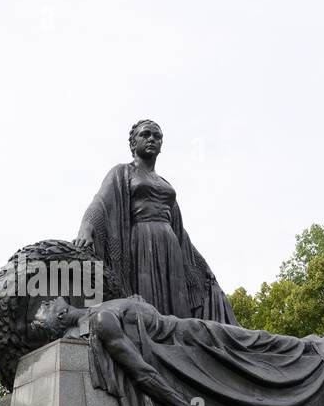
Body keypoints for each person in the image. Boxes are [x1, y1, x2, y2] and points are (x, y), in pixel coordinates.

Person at [28, 295, 324, 406]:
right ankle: (317, 351)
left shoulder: (97, 311)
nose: (50, 300)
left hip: (189, 336)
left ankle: (312, 350)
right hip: (190, 341)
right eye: (44, 308)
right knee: (250, 346)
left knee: (253, 343)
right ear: (56, 322)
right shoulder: (101, 323)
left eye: (44, 302)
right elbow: (140, 372)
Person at [76, 119, 239, 324]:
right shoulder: (123, 172)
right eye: (145, 135)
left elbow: (181, 232)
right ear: (133, 144)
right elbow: (101, 202)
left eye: (157, 136)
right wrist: (87, 227)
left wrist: (202, 265)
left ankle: (178, 343)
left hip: (170, 245)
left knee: (177, 304)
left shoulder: (165, 184)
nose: (152, 139)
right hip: (141, 241)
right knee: (147, 300)